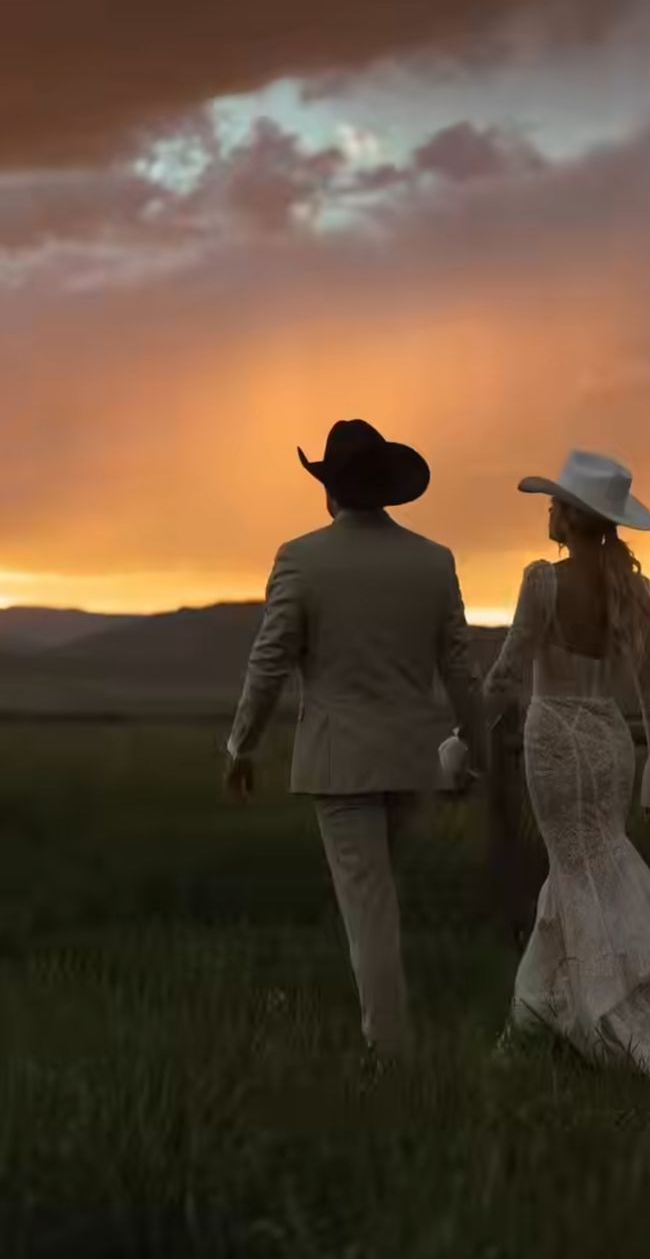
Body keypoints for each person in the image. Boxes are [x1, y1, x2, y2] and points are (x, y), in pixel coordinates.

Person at [223, 419, 486, 1062]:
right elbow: (460, 667)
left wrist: (241, 746)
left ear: (329, 490)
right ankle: (390, 1039)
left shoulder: (302, 557)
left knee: (369, 907)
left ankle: (388, 1056)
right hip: (410, 757)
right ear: (386, 489)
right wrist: (478, 748)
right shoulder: (433, 560)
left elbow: (270, 660)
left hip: (341, 763)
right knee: (381, 900)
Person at [474, 449, 650, 1087]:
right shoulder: (632, 589)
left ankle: (633, 1037)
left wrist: (462, 732)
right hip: (609, 741)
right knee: (596, 868)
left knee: (577, 874)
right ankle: (538, 1016)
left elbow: (509, 673)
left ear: (571, 516)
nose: (549, 509)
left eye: (555, 502)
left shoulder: (542, 582)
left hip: (555, 741)